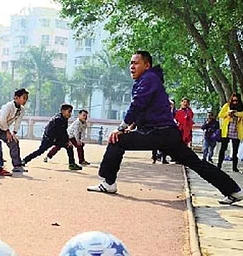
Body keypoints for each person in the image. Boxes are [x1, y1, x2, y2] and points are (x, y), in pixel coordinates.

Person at [87, 50, 242, 205]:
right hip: (166, 135)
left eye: (136, 63)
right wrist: (132, 126)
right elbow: (144, 109)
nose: (131, 67)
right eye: (131, 63)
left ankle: (109, 183)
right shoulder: (149, 80)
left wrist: (121, 128)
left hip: (158, 133)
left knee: (117, 140)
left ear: (147, 65)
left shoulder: (148, 79)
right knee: (196, 163)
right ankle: (233, 191)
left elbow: (137, 104)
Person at [21, 103, 83, 170]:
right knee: (40, 151)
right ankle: (24, 160)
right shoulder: (58, 119)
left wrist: (67, 141)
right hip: (48, 139)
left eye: (71, 112)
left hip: (57, 138)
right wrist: (67, 141)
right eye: (69, 112)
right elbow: (61, 132)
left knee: (69, 147)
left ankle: (71, 164)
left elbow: (64, 131)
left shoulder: (65, 118)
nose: (70, 114)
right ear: (63, 111)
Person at [217, 92, 243, 172]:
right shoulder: (227, 105)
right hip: (227, 130)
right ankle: (219, 165)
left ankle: (234, 167)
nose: (235, 102)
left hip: (236, 131)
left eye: (236, 101)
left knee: (235, 150)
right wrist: (228, 113)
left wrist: (236, 114)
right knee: (223, 148)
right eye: (233, 100)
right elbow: (220, 115)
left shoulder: (241, 107)